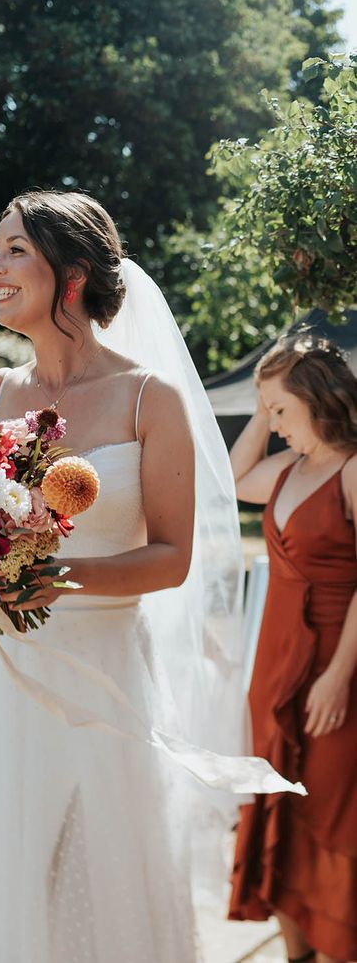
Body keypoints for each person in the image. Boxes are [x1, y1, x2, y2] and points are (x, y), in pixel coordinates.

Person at [0, 191, 298, 962]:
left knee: (100, 871)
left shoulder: (148, 398)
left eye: (12, 250)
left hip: (104, 677)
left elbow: (173, 557)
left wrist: (56, 575)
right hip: (2, 673)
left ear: (71, 274)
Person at [228, 333, 357, 963]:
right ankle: (296, 953)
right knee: (279, 800)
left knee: (330, 812)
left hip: (339, 666)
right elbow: (232, 479)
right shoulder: (290, 468)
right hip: (275, 666)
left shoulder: (354, 469)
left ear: (315, 398)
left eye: (281, 411)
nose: (273, 425)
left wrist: (337, 676)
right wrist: (260, 404)